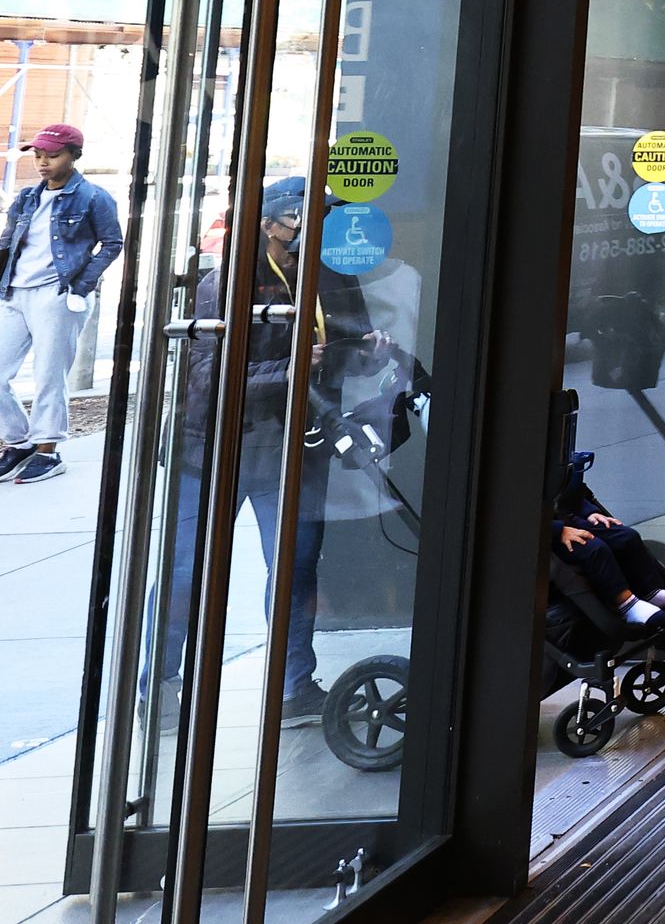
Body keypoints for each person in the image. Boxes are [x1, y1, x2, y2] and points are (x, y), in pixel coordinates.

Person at [143, 178, 387, 731]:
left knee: (296, 568)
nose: (317, 227)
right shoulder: (226, 283)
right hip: (213, 447)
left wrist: (370, 354)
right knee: (187, 569)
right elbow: (211, 378)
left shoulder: (332, 276)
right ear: (273, 222)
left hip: (290, 446)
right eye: (307, 217)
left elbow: (344, 356)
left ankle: (294, 689)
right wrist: (300, 364)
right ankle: (158, 688)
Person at [0, 124, 124, 484]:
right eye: (38, 155)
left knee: (49, 376)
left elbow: (112, 244)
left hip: (57, 295)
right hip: (14, 293)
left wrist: (81, 286)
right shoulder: (27, 197)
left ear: (74, 156)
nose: (42, 162)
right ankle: (21, 440)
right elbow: (9, 242)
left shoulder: (93, 197)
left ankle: (48, 450)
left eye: (52, 155)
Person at [551, 457, 665, 629]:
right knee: (595, 548)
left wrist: (588, 512)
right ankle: (627, 606)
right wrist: (558, 530)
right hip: (543, 531)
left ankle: (650, 591)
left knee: (626, 537)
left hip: (563, 516)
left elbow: (565, 490)